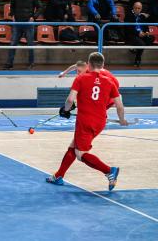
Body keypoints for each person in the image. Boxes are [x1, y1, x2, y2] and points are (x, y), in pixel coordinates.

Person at [46, 52, 128, 191]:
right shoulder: (110, 81)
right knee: (74, 146)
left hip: (85, 121)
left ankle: (109, 171)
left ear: (88, 64)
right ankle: (59, 176)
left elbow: (70, 100)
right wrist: (122, 120)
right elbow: (119, 105)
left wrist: (66, 110)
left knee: (80, 154)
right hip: (100, 121)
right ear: (103, 65)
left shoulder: (81, 78)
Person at [4, 0, 41, 70]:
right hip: (17, 23)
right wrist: (12, 15)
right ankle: (9, 63)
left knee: (30, 44)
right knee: (13, 44)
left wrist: (34, 17)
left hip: (29, 23)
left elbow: (40, 7)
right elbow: (12, 6)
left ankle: (31, 63)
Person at [125, 2, 155, 68]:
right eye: (136, 8)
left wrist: (146, 32)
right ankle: (137, 59)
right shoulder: (128, 16)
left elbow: (146, 27)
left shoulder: (142, 16)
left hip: (142, 35)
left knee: (152, 38)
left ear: (141, 9)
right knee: (141, 44)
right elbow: (128, 29)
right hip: (132, 35)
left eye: (139, 8)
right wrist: (138, 33)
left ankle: (135, 49)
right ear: (133, 8)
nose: (137, 10)